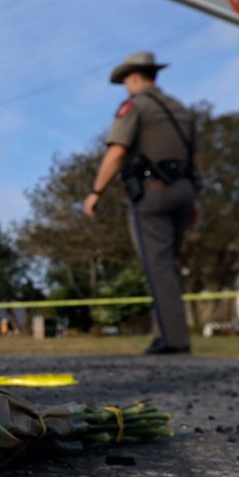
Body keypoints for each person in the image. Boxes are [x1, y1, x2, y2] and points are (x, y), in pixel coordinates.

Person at [83, 51, 201, 355]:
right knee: (168, 266)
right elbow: (195, 158)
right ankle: (169, 333)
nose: (126, 86)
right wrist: (195, 200)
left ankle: (173, 340)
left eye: (125, 81)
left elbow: (117, 152)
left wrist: (96, 191)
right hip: (185, 191)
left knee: (157, 266)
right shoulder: (181, 110)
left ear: (134, 77)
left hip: (154, 192)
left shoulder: (135, 106)